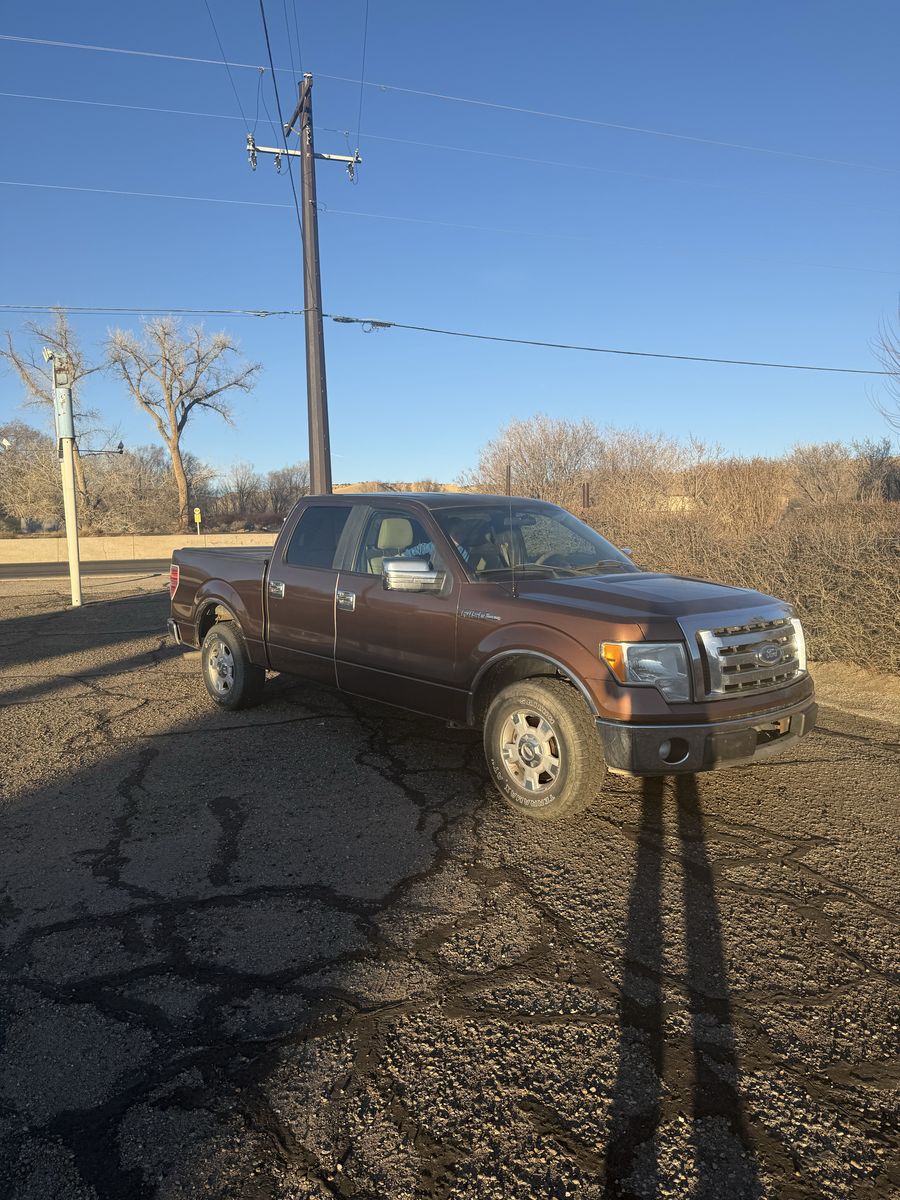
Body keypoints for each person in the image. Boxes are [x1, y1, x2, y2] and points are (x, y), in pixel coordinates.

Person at [403, 517, 470, 564]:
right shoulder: (437, 545)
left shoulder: (464, 550)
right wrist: (405, 555)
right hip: (434, 573)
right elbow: (421, 548)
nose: (461, 536)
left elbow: (464, 567)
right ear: (446, 534)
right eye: (457, 533)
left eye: (464, 533)